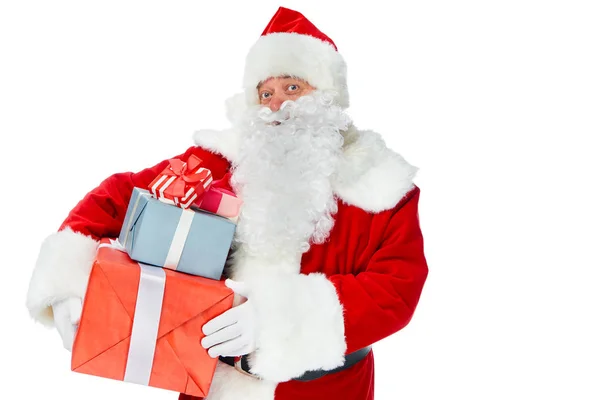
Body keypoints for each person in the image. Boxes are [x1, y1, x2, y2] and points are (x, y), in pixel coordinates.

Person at [25, 6, 429, 400]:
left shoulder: (381, 186)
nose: (276, 105)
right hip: (209, 384)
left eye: (292, 87)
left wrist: (278, 320)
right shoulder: (216, 162)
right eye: (265, 92)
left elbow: (397, 289)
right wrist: (67, 286)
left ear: (327, 95)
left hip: (326, 390)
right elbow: (115, 198)